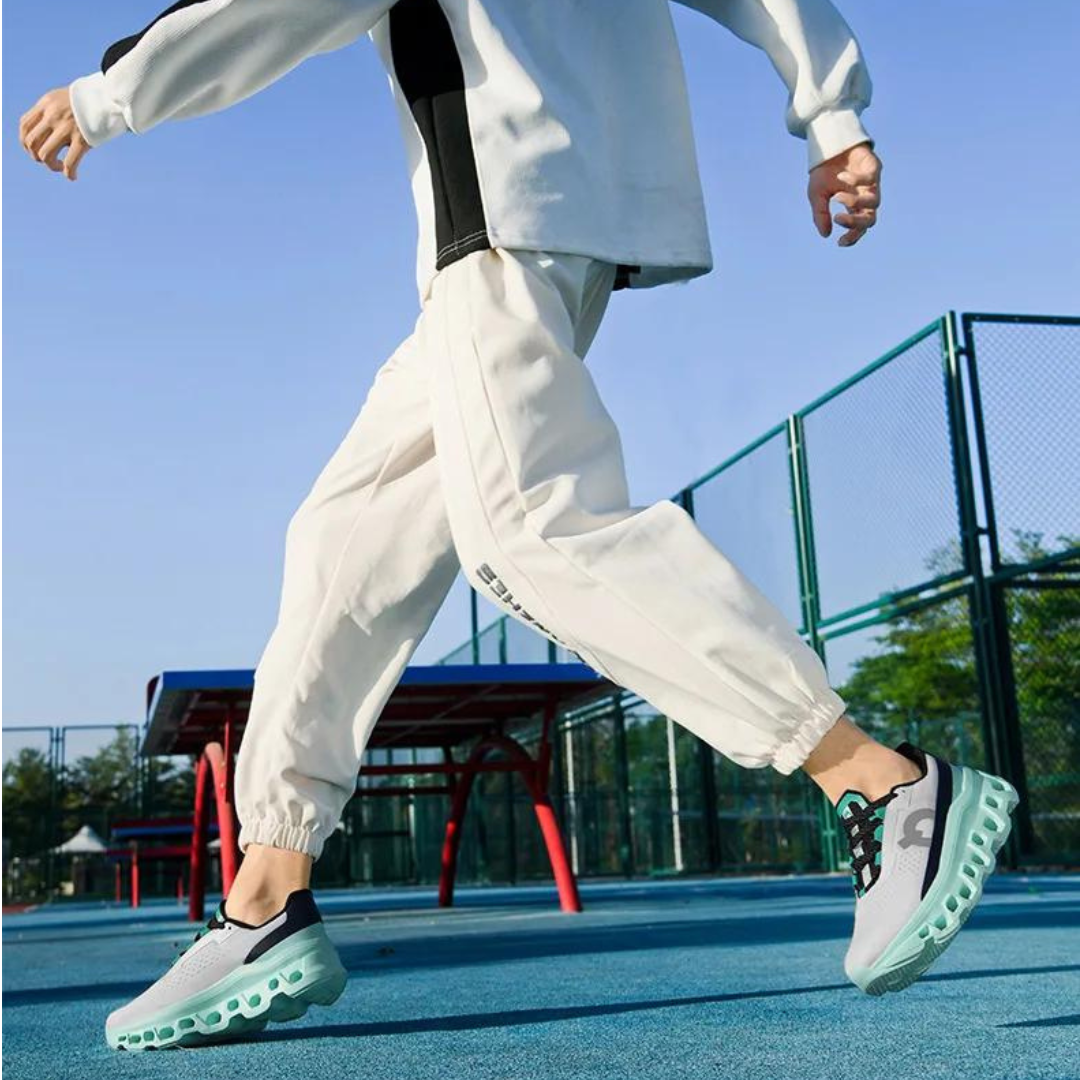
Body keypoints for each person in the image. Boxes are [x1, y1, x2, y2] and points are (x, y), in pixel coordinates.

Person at [20, 0, 1017, 1051]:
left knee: (534, 527)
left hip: (497, 216)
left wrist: (108, 94)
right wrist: (830, 115)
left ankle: (881, 783)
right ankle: (265, 900)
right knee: (342, 546)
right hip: (564, 213)